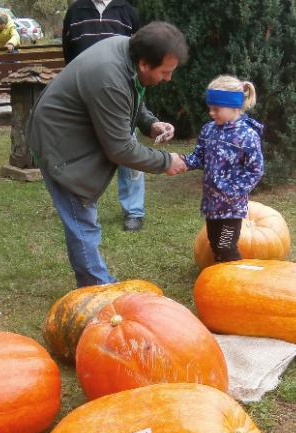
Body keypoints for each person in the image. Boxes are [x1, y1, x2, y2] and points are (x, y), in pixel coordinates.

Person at [27, 21, 188, 287]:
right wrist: (165, 161)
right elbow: (120, 149)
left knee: (83, 214)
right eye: (166, 72)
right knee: (81, 217)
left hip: (75, 134)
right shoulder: (108, 76)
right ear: (145, 64)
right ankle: (97, 289)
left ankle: (95, 283)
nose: (168, 78)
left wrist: (149, 122)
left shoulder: (128, 53)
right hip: (60, 145)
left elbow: (132, 94)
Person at [62, 0, 147, 232]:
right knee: (85, 155)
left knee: (128, 152)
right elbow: (69, 57)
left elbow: (140, 59)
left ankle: (134, 211)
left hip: (121, 96)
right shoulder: (75, 12)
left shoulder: (127, 12)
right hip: (84, 97)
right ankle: (85, 208)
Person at [180, 76, 265, 263]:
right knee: (214, 242)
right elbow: (199, 157)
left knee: (226, 245)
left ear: (235, 107)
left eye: (216, 109)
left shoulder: (247, 135)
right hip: (211, 204)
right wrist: (182, 162)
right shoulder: (208, 130)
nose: (211, 113)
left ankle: (235, 280)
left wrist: (233, 191)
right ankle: (220, 276)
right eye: (210, 108)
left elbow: (255, 169)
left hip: (231, 207)